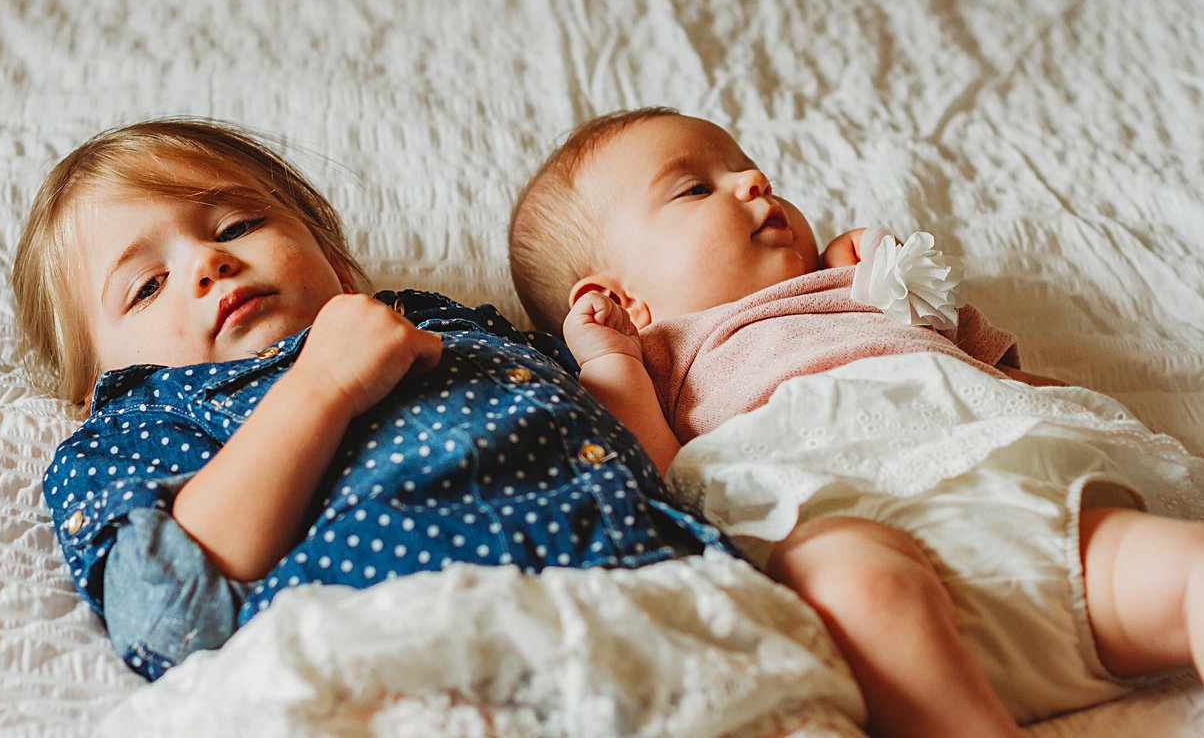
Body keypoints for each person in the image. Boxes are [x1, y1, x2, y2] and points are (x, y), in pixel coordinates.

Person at [507, 107, 1204, 738]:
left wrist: (884, 271)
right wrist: (610, 360)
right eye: (696, 188)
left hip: (1037, 527)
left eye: (747, 167)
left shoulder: (853, 285)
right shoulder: (657, 354)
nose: (752, 180)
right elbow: (652, 475)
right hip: (865, 571)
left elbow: (984, 365)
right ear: (620, 301)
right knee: (849, 572)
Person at [11, 117, 745, 682]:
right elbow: (168, 617)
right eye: (145, 286)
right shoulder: (141, 423)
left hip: (657, 601)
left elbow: (626, 418)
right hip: (426, 651)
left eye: (236, 226)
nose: (209, 262)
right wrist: (320, 388)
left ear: (335, 262)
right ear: (94, 388)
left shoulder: (446, 322)